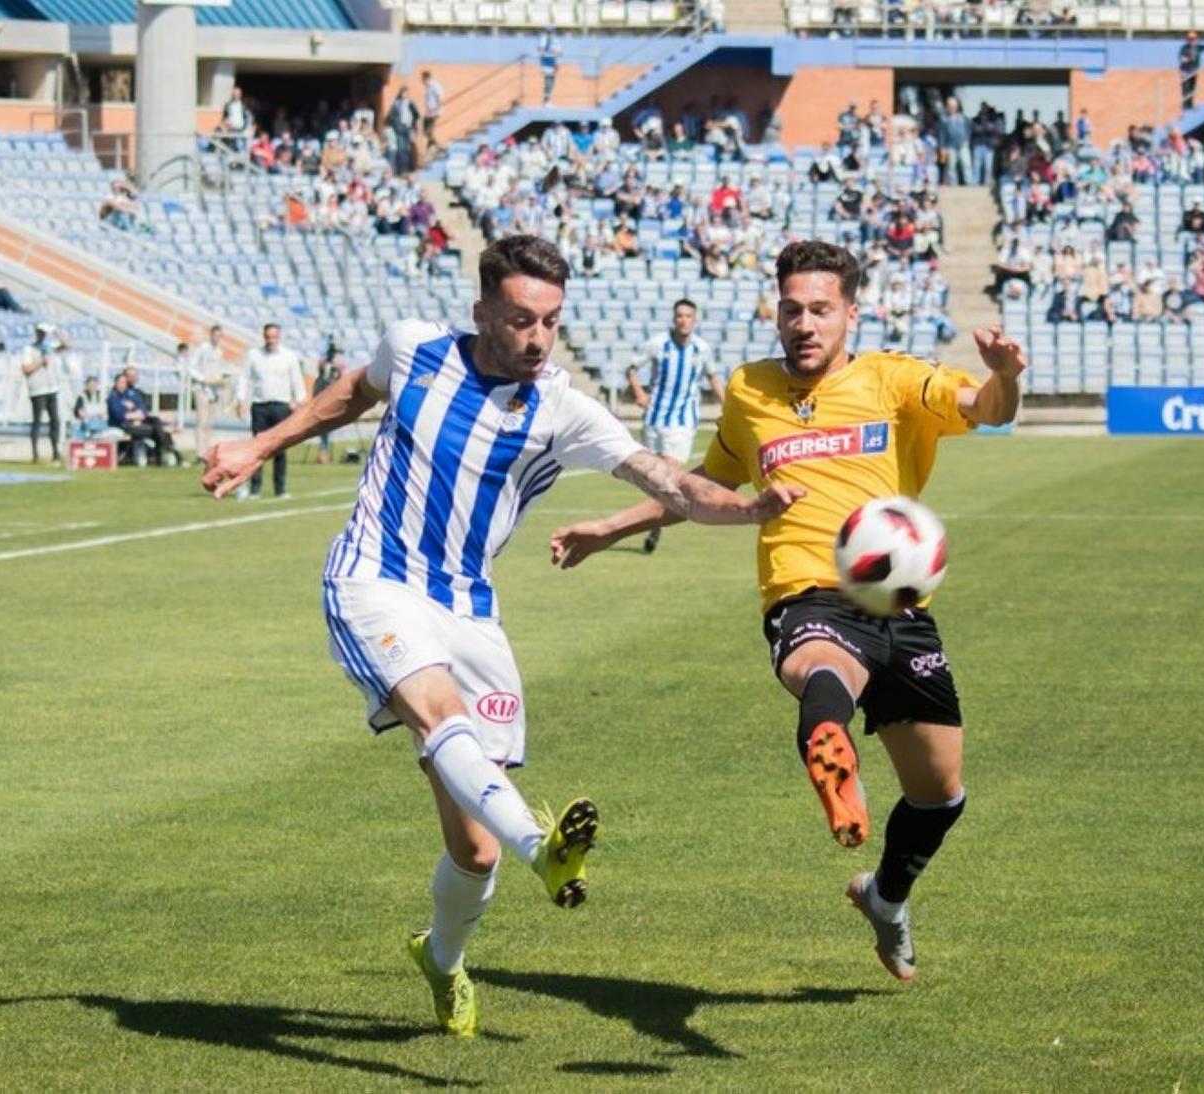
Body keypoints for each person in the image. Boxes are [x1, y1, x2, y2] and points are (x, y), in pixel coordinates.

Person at [200, 235, 801, 1037]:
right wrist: (256, 444)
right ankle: (544, 850)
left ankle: (442, 958)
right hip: (373, 580)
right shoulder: (414, 348)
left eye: (552, 322)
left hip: (469, 613)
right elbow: (350, 394)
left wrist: (750, 509)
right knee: (440, 718)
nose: (538, 338)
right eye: (521, 320)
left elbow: (668, 478)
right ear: (482, 309)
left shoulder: (561, 408)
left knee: (472, 853)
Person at [550, 239, 1025, 984]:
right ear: (776, 311)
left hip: (899, 605)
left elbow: (985, 407)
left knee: (939, 794)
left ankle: (885, 898)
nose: (804, 323)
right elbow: (703, 484)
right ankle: (831, 748)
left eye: (820, 310)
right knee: (821, 665)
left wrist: (1005, 377)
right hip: (806, 589)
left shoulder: (894, 379)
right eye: (792, 309)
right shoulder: (749, 390)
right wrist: (611, 527)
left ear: (851, 314)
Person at [626, 300, 725, 553]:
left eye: (688, 315)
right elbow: (632, 368)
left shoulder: (701, 349)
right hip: (654, 420)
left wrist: (729, 406)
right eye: (679, 315)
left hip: (682, 423)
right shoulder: (658, 344)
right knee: (654, 478)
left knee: (670, 476)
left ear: (695, 319)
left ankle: (655, 527)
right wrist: (639, 393)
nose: (683, 320)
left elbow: (713, 377)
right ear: (674, 319)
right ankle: (655, 519)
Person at [235, 323, 305, 500]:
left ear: (279, 337)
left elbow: (296, 379)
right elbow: (244, 377)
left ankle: (280, 488)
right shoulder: (254, 355)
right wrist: (241, 399)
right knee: (258, 449)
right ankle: (255, 488)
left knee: (280, 448)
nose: (271, 340)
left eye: (274, 337)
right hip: (260, 406)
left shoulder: (289, 356)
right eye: (268, 337)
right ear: (264, 337)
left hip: (282, 406)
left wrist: (298, 401)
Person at [107, 368, 179, 466]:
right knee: (160, 431)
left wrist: (137, 414)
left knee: (156, 421)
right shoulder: (113, 397)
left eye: (124, 382)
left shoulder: (131, 393)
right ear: (115, 383)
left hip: (138, 422)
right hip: (124, 426)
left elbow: (143, 408)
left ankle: (164, 454)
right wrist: (133, 415)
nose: (122, 385)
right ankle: (168, 453)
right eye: (120, 382)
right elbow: (119, 415)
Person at [19, 322, 66, 464]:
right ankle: (35, 454)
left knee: (55, 422)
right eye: (40, 332)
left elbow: (67, 345)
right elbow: (26, 369)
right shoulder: (28, 349)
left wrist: (56, 331)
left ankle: (55, 453)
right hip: (37, 390)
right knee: (37, 421)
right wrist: (40, 361)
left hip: (51, 389)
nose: (42, 335)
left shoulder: (48, 347)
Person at [189, 324, 229, 462]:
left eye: (220, 336)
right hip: (201, 388)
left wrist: (219, 380)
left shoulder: (219, 351)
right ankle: (200, 452)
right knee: (202, 421)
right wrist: (203, 379)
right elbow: (191, 368)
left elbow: (218, 369)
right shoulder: (202, 348)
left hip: (214, 389)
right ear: (211, 335)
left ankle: (207, 451)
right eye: (215, 335)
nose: (217, 338)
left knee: (209, 423)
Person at [1179, 32, 1204, 111]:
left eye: (1194, 39)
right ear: (1188, 40)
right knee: (1186, 89)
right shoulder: (1184, 48)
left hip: (1193, 71)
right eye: (1190, 39)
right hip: (1185, 71)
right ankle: (1186, 107)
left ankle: (1190, 106)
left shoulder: (1197, 47)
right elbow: (1182, 59)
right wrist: (1189, 58)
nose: (1192, 40)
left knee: (1192, 89)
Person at [421, 70, 444, 154]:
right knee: (425, 130)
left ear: (427, 78)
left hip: (434, 112)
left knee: (428, 131)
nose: (422, 81)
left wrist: (436, 108)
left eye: (423, 79)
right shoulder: (428, 87)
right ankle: (431, 147)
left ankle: (437, 146)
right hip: (429, 113)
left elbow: (440, 98)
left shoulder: (435, 85)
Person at [538, 27, 560, 105]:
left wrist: (556, 53)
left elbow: (558, 51)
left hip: (553, 62)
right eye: (549, 32)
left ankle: (548, 98)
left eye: (552, 32)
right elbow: (541, 50)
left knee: (552, 82)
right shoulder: (543, 40)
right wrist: (543, 52)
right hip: (546, 63)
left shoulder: (556, 40)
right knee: (547, 82)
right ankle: (546, 100)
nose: (550, 34)